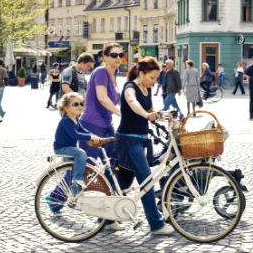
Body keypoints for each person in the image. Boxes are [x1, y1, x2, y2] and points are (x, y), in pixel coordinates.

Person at [113, 56, 173, 235]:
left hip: (140, 139)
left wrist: (163, 114)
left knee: (124, 182)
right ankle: (157, 224)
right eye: (151, 78)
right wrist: (147, 116)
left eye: (155, 78)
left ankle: (105, 219)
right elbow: (133, 103)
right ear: (141, 74)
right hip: (128, 141)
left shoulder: (146, 89)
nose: (154, 81)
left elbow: (149, 111)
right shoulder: (129, 87)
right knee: (147, 181)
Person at [54, 92, 101, 194]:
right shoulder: (66, 121)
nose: (80, 106)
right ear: (67, 108)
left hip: (70, 148)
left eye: (81, 104)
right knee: (81, 153)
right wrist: (90, 137)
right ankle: (77, 182)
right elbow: (75, 135)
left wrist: (94, 137)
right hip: (62, 148)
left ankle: (72, 190)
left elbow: (83, 130)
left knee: (81, 163)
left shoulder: (76, 119)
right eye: (76, 104)